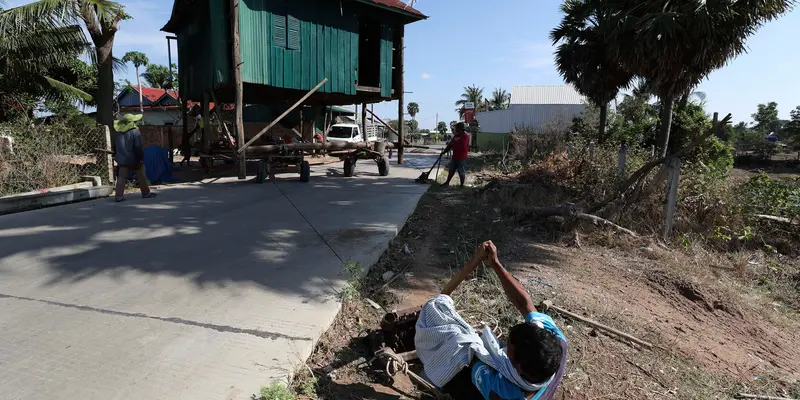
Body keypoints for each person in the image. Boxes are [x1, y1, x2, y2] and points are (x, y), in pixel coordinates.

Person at [415, 241, 566, 400]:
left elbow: (472, 358)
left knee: (458, 372)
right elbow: (524, 303)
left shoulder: (503, 392)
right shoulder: (559, 343)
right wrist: (495, 264)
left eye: (507, 351)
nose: (504, 350)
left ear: (516, 367)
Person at [113, 114, 157, 202]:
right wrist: (141, 158)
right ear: (132, 122)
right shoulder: (135, 131)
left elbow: (115, 146)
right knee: (141, 176)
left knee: (121, 177)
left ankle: (118, 196)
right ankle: (146, 193)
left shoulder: (118, 132)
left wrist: (116, 156)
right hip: (134, 158)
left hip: (122, 158)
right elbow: (138, 147)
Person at [441, 122, 470, 187]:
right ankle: (447, 182)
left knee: (461, 171)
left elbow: (463, 146)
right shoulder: (456, 136)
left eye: (456, 128)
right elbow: (450, 145)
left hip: (462, 157)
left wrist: (454, 144)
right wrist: (444, 152)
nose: (455, 129)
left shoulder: (465, 136)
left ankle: (462, 185)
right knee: (451, 170)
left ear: (460, 128)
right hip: (455, 157)